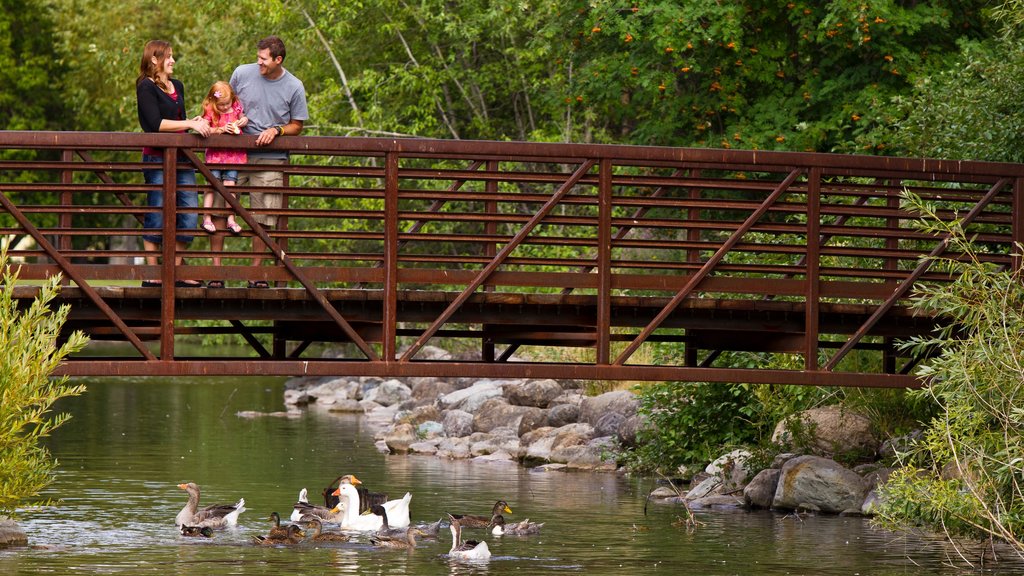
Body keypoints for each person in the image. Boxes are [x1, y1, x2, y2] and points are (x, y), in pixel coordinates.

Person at [230, 35, 308, 288]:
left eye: (263, 59)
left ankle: (256, 275)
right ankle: (216, 274)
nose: (259, 63)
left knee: (263, 218)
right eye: (258, 57)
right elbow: (226, 105)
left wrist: (277, 130)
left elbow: (297, 125)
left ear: (278, 59)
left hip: (270, 159)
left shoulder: (294, 86)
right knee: (219, 210)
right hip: (235, 154)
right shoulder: (242, 74)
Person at [136, 39, 211, 287]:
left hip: (181, 157)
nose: (173, 61)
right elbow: (155, 124)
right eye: (168, 56)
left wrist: (194, 121)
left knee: (189, 212)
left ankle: (174, 272)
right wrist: (189, 124)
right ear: (155, 59)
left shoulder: (177, 85)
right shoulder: (145, 86)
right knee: (157, 211)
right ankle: (153, 273)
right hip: (157, 157)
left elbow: (178, 121)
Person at [200, 81, 248, 282]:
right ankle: (207, 218)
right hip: (215, 157)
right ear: (213, 101)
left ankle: (230, 219)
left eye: (227, 105)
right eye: (221, 105)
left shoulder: (235, 107)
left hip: (233, 156)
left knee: (231, 187)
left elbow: (244, 118)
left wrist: (240, 122)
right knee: (211, 187)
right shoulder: (210, 111)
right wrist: (221, 129)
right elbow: (204, 130)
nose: (225, 108)